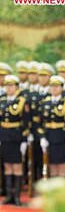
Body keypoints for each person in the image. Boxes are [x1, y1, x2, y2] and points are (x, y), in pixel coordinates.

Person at [0, 75, 28, 205]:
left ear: (17, 87)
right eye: (7, 85)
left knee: (17, 166)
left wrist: (24, 139)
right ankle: (9, 195)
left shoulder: (22, 101)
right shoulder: (2, 100)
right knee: (7, 166)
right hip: (4, 135)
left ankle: (16, 196)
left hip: (16, 136)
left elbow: (26, 121)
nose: (8, 88)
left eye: (11, 85)